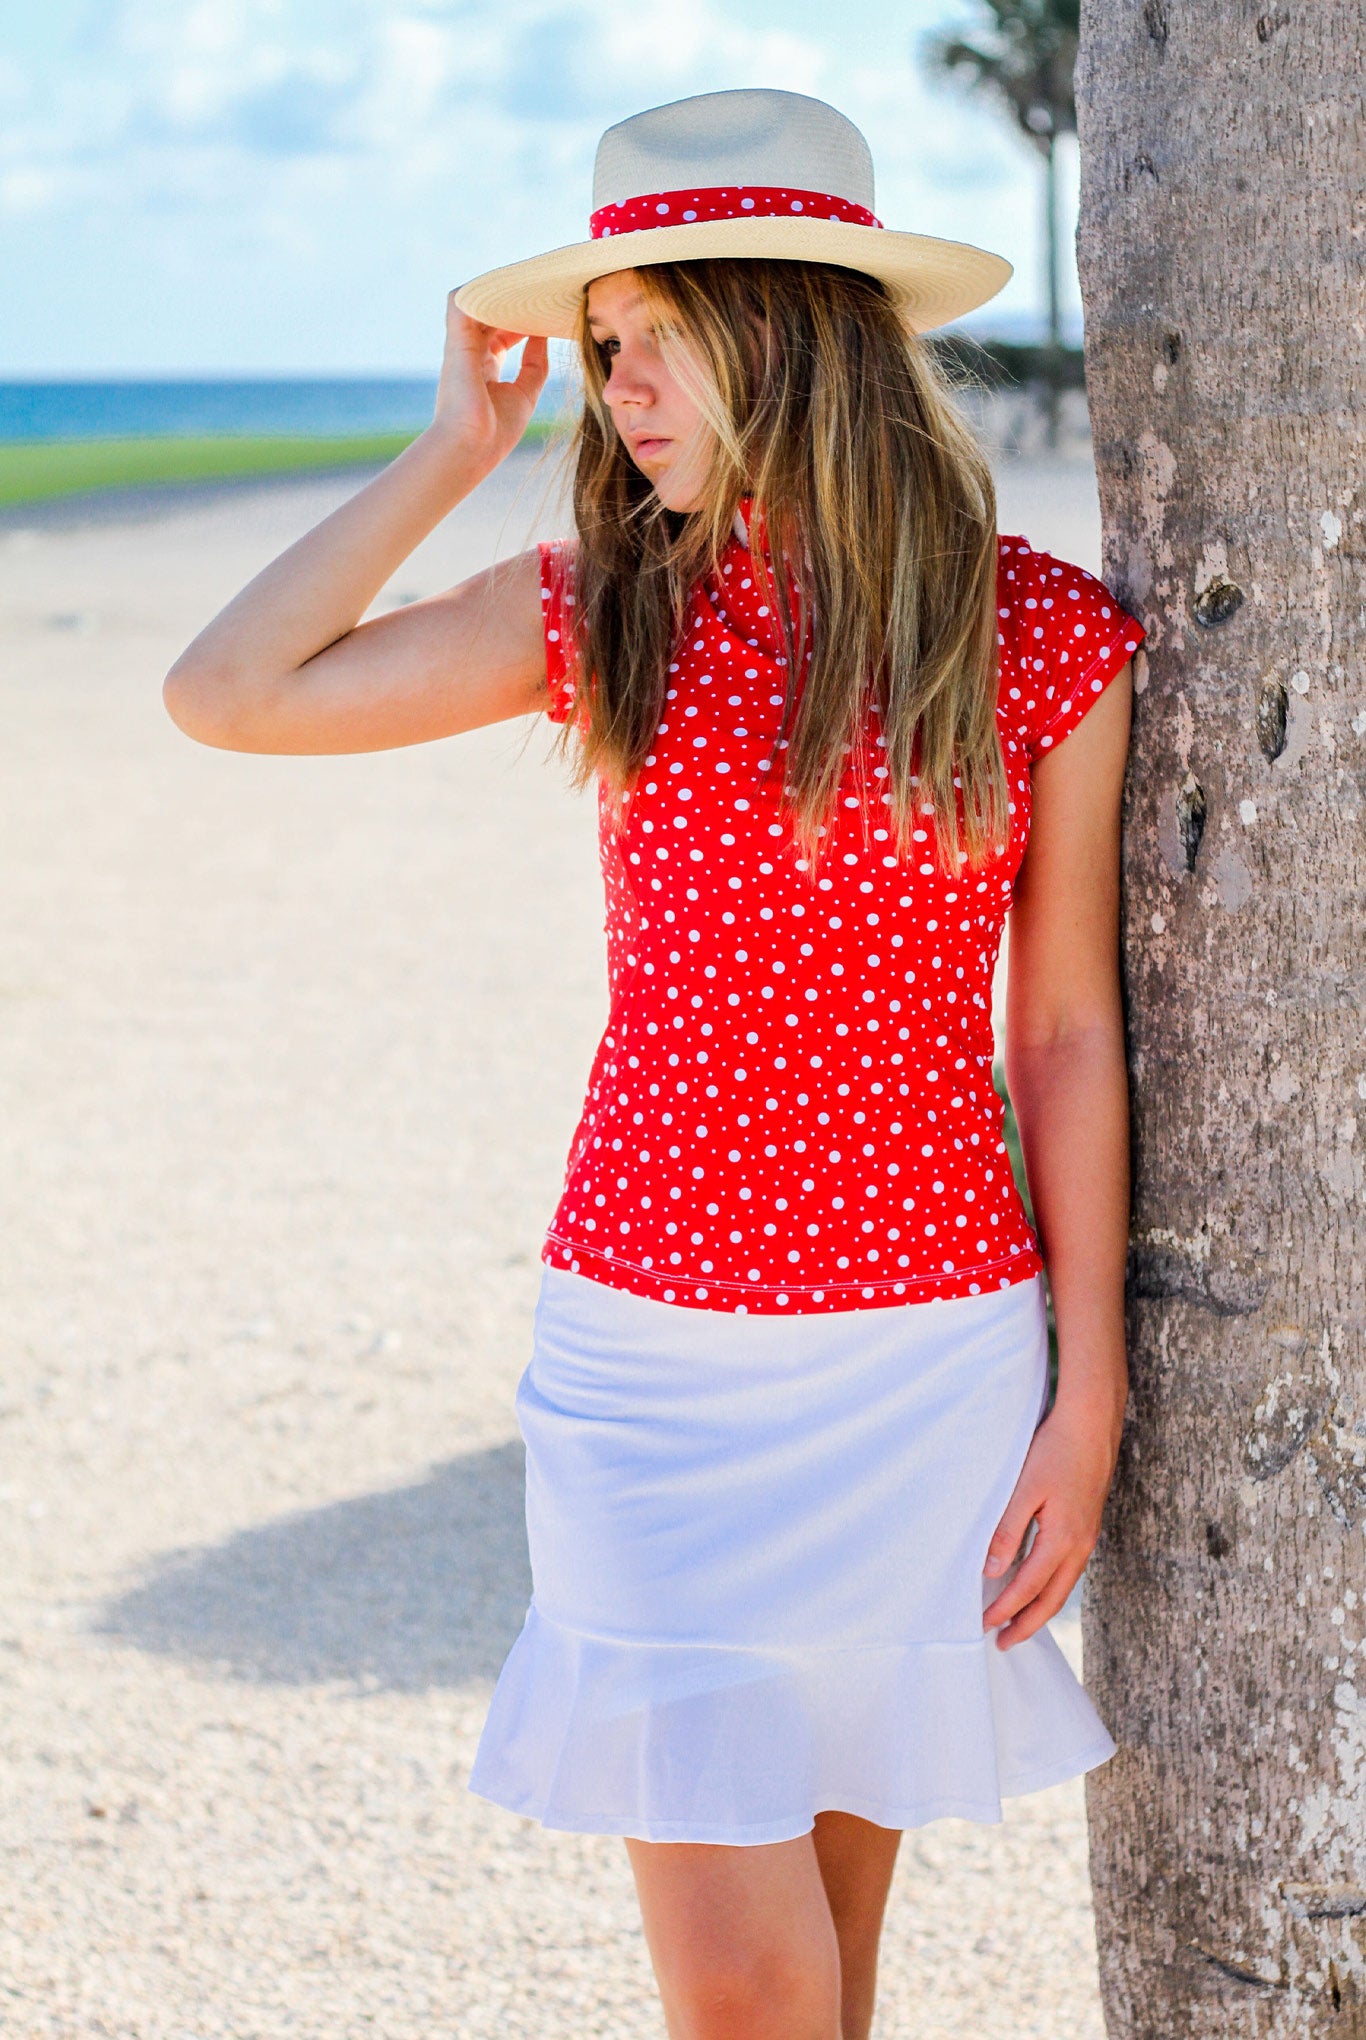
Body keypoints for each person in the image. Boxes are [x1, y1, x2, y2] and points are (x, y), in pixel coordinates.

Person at [165, 85, 1143, 2040]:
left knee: (832, 1984)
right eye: (596, 346)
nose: (612, 386)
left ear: (779, 322)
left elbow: (1056, 1031)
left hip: (927, 1370)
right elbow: (227, 693)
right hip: (647, 1386)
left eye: (647, 338)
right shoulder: (612, 612)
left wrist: (1084, 1390)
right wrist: (459, 443)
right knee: (747, 2000)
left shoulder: (1038, 639)